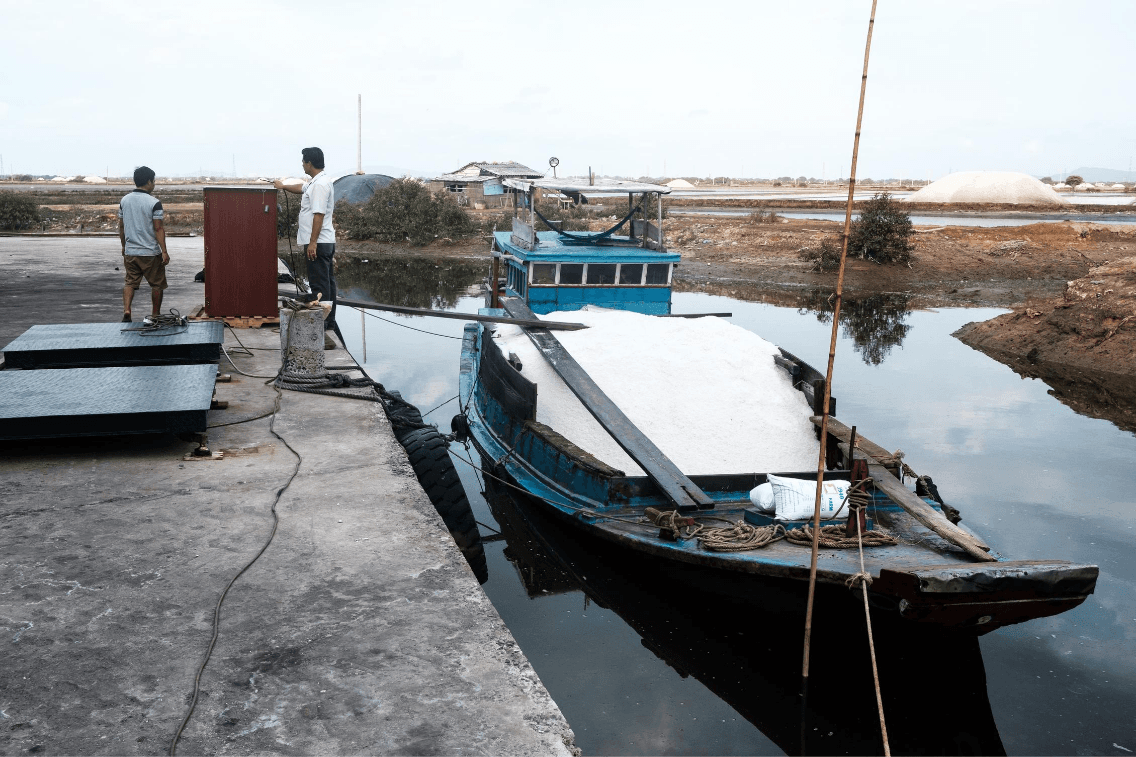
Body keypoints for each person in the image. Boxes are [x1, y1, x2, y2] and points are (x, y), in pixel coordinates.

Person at [275, 147, 337, 348]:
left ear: (309, 163)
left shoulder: (319, 186)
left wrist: (312, 242)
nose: (302, 164)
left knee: (319, 285)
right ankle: (328, 322)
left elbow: (318, 214)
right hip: (324, 240)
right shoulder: (315, 182)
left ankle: (321, 326)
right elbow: (300, 188)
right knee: (327, 282)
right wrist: (283, 186)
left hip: (318, 242)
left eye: (303, 161)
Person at [117, 166, 169, 323]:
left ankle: (127, 310)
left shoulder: (124, 200)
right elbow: (158, 228)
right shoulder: (154, 203)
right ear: (149, 181)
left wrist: (124, 246)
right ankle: (155, 315)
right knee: (157, 284)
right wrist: (164, 251)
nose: (154, 184)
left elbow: (121, 226)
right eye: (153, 181)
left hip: (131, 251)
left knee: (130, 282)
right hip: (150, 253)